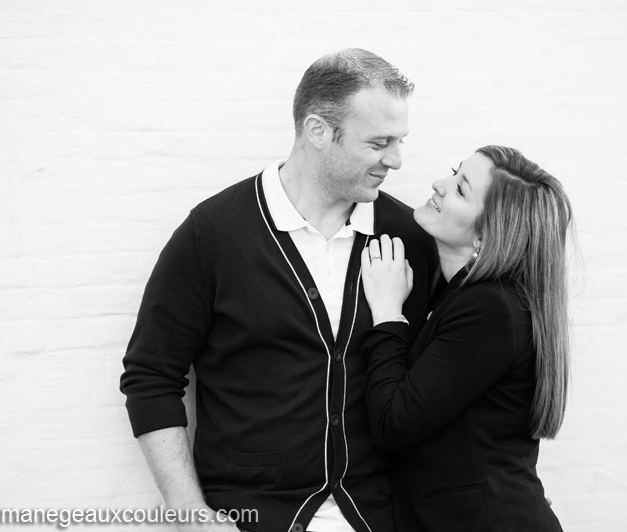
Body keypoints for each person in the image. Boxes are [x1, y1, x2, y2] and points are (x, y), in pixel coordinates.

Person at [119, 49, 437, 532]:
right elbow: (151, 375)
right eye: (379, 142)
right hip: (248, 516)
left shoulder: (405, 236)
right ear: (317, 131)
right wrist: (190, 515)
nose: (395, 160)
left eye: (399, 141)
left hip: (377, 515)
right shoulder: (215, 233)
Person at [359, 145, 571, 531]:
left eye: (460, 189)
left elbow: (393, 422)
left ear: (488, 232)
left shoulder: (489, 309)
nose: (439, 185)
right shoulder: (464, 295)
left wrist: (388, 313)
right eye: (454, 173)